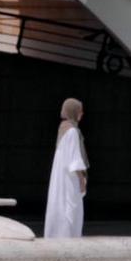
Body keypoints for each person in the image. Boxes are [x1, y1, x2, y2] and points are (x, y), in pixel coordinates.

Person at [43, 97, 88, 239]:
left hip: (60, 177)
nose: (81, 114)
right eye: (80, 111)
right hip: (70, 178)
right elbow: (74, 159)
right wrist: (81, 180)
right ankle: (68, 239)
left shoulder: (63, 128)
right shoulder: (73, 132)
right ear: (74, 111)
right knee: (71, 209)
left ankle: (56, 236)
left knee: (59, 205)